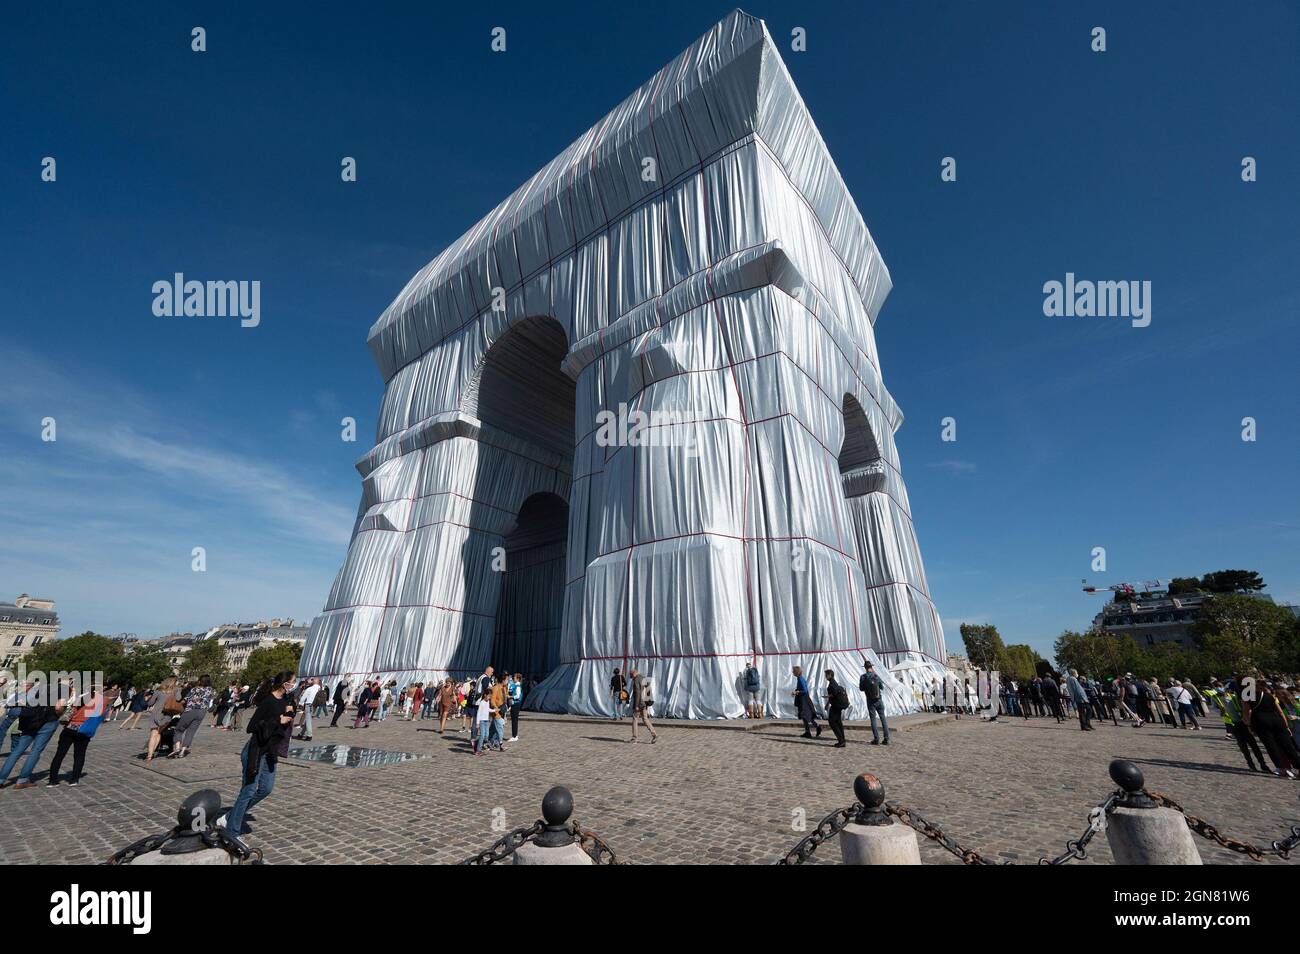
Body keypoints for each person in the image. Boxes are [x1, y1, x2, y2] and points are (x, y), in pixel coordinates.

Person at [220, 672, 297, 837]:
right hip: (256, 750)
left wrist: (290, 713)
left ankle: (230, 816)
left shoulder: (285, 701)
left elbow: (286, 723)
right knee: (248, 790)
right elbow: (252, 726)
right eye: (292, 682)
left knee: (266, 788)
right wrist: (278, 720)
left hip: (270, 751)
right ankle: (232, 832)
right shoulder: (269, 701)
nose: (293, 685)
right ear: (284, 683)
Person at [0, 685, 63, 788]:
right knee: (36, 750)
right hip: (48, 723)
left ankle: (1, 779)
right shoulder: (61, 691)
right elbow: (58, 708)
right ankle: (22, 780)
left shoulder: (38, 693)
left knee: (17, 751)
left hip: (30, 724)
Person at [46, 687, 107, 786]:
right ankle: (74, 779)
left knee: (59, 754)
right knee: (79, 755)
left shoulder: (78, 698)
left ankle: (52, 780)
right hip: (84, 729)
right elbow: (100, 715)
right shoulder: (100, 700)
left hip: (69, 728)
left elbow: (67, 711)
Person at [1245, 679, 1300, 778]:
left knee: (1271, 746)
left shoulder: (1248, 698)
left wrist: (1249, 725)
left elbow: (1247, 713)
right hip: (1277, 721)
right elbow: (1280, 712)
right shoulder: (1270, 696)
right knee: (1288, 745)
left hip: (1261, 722)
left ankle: (1283, 769)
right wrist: (1286, 725)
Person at [170, 674, 214, 758]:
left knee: (179, 729)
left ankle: (177, 748)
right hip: (202, 712)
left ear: (200, 680)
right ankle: (183, 751)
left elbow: (185, 700)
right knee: (191, 731)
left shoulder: (194, 689)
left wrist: (176, 704)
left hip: (190, 710)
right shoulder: (210, 690)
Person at [145, 678, 182, 761]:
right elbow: (179, 699)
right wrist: (178, 690)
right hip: (167, 715)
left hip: (156, 714)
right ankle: (152, 752)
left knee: (153, 734)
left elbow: (150, 703)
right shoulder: (176, 691)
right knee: (158, 733)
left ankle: (149, 755)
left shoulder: (158, 691)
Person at [858, 659, 889, 745]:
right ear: (871, 667)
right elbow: (882, 687)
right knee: (883, 719)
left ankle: (876, 739)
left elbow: (861, 688)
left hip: (870, 700)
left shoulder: (863, 677)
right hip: (879, 699)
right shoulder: (876, 676)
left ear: (865, 668)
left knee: (873, 720)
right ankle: (887, 738)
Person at [628, 667, 658, 744]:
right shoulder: (644, 678)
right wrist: (648, 701)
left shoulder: (636, 680)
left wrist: (637, 705)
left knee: (635, 719)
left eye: (631, 675)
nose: (631, 677)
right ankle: (654, 734)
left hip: (639, 703)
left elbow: (637, 693)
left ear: (634, 673)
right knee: (645, 719)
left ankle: (634, 738)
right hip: (645, 703)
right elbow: (649, 690)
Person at [792, 665, 821, 738]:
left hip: (804, 700)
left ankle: (817, 727)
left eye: (793, 671)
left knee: (807, 715)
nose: (792, 672)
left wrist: (797, 692)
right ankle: (808, 732)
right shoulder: (799, 679)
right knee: (804, 716)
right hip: (803, 699)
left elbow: (804, 690)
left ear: (796, 672)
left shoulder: (801, 679)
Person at [824, 670, 849, 748]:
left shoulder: (831, 684)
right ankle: (842, 740)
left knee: (832, 722)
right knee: (838, 722)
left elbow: (833, 694)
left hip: (835, 705)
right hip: (838, 705)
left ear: (829, 675)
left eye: (826, 675)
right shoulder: (834, 683)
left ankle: (841, 740)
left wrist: (828, 700)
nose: (825, 676)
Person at [507, 672, 523, 742]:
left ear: (518, 678)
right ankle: (514, 735)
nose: (513, 678)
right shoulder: (515, 685)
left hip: (516, 704)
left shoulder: (518, 686)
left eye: (514, 677)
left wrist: (510, 696)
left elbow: (518, 696)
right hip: (514, 704)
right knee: (514, 720)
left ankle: (514, 736)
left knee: (514, 720)